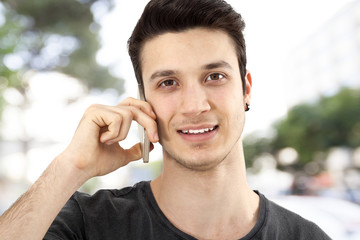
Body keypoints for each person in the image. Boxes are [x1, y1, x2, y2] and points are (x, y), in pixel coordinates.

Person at [0, 0, 330, 239]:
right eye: (168, 83)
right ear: (144, 103)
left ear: (245, 89)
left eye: (214, 76)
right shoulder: (86, 225)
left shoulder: (307, 237)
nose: (194, 105)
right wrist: (70, 167)